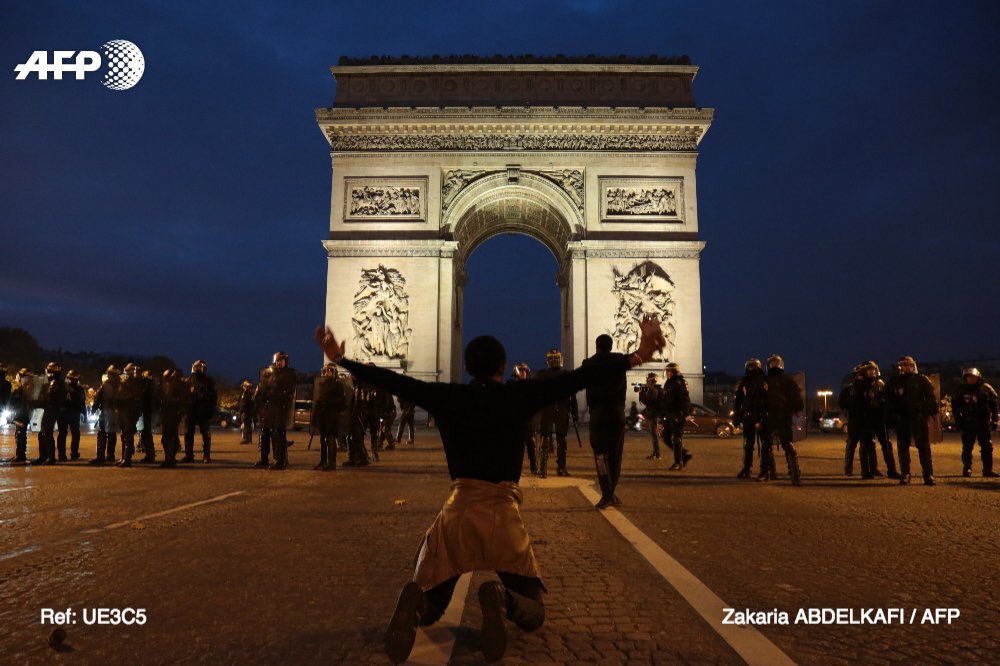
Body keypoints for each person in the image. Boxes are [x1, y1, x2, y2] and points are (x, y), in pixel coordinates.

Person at [315, 315, 665, 664]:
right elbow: (581, 377)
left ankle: (417, 606)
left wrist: (341, 359)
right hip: (502, 515)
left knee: (434, 606)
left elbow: (395, 381)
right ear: (503, 366)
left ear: (467, 366)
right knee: (534, 612)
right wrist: (638, 355)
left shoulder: (447, 397)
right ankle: (503, 599)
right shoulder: (521, 396)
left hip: (459, 513)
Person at [581, 334, 628, 508]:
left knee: (600, 456)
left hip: (598, 414)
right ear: (611, 345)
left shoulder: (589, 364)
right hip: (617, 413)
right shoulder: (620, 361)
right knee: (615, 455)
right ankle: (611, 493)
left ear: (597, 346)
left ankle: (607, 493)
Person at [886, 356, 938, 486]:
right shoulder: (895, 381)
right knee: (902, 447)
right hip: (902, 419)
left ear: (913, 366)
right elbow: (888, 400)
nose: (906, 367)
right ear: (900, 367)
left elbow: (931, 398)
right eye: (903, 365)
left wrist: (926, 411)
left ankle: (928, 475)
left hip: (918, 418)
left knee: (924, 447)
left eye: (909, 365)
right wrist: (891, 417)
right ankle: (905, 474)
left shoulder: (922, 380)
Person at [760, 354, 803, 485]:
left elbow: (796, 398)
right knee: (766, 445)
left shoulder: (788, 380)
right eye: (772, 363)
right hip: (769, 416)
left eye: (775, 363)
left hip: (783, 416)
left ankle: (794, 472)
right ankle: (768, 471)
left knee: (787, 444)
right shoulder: (764, 381)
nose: (774, 365)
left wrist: (793, 408)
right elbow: (760, 399)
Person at [535, 349, 578, 477]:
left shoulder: (541, 375)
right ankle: (561, 468)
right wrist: (575, 412)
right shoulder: (566, 374)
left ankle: (543, 469)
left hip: (547, 410)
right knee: (561, 439)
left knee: (545, 438)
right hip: (562, 409)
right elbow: (572, 395)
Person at [952, 367, 998, 478]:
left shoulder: (986, 388)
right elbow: (955, 406)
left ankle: (987, 469)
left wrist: (995, 419)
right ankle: (967, 468)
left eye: (972, 377)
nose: (970, 379)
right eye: (968, 377)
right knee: (967, 447)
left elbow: (994, 404)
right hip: (968, 422)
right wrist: (958, 420)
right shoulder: (961, 390)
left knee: (987, 446)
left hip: (983, 423)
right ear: (965, 378)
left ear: (978, 377)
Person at [255, 352, 297, 470]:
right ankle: (264, 459)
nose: (279, 363)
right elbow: (264, 387)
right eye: (277, 360)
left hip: (281, 408)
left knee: (279, 434)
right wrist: (261, 393)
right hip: (269, 408)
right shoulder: (270, 373)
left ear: (285, 361)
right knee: (265, 432)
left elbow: (289, 392)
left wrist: (274, 395)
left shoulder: (289, 374)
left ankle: (281, 461)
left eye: (281, 360)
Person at [733, 359, 767, 479]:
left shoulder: (764, 381)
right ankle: (747, 469)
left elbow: (767, 400)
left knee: (764, 445)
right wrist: (736, 416)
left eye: (754, 366)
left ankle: (765, 471)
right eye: (750, 366)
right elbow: (738, 400)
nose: (751, 368)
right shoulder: (744, 382)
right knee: (747, 444)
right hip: (748, 416)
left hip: (762, 416)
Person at [313, 363, 348, 471]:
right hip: (322, 416)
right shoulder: (321, 384)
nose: (327, 372)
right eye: (325, 370)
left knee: (330, 440)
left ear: (334, 373)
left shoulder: (338, 385)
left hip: (332, 416)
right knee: (322, 440)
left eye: (329, 370)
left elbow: (342, 403)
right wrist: (315, 416)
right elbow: (317, 401)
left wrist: (328, 403)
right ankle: (323, 461)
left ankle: (331, 463)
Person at [659, 362, 693, 471]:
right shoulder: (669, 383)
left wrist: (686, 414)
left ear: (673, 371)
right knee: (666, 437)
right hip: (669, 414)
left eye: (668, 371)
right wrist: (662, 415)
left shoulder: (679, 383)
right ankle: (684, 454)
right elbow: (665, 401)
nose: (667, 373)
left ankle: (678, 462)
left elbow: (685, 399)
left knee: (676, 438)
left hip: (677, 414)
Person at [184, 359, 216, 463]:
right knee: (188, 433)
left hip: (203, 410)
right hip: (191, 410)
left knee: (205, 433)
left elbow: (213, 398)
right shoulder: (189, 380)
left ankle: (206, 455)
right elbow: (184, 395)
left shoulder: (208, 381)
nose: (198, 369)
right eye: (196, 367)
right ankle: (189, 455)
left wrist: (211, 410)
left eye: (200, 367)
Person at [35, 362, 65, 465]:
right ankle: (43, 456)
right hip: (49, 409)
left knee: (47, 433)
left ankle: (50, 457)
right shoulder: (55, 383)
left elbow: (50, 398)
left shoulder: (55, 383)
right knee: (42, 433)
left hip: (51, 409)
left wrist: (38, 402)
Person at [839, 365, 867, 477]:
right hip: (854, 419)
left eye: (862, 374)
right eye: (858, 374)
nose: (860, 376)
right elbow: (842, 403)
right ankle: (848, 468)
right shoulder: (849, 389)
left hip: (865, 420)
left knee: (865, 445)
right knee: (851, 444)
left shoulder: (868, 387)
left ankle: (865, 469)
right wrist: (852, 401)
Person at [90, 366, 121, 465]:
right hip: (113, 412)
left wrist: (94, 408)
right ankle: (109, 455)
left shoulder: (106, 385)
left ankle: (101, 456)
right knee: (110, 434)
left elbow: (98, 397)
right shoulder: (120, 385)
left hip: (107, 411)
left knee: (103, 433)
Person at [158, 368, 188, 468]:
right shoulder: (176, 385)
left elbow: (170, 399)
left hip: (171, 413)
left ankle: (169, 459)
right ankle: (170, 458)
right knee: (171, 436)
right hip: (171, 413)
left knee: (168, 436)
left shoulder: (173, 386)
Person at [57, 369, 86, 461]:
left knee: (62, 434)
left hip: (64, 413)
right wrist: (84, 414)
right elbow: (82, 403)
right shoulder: (79, 389)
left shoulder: (62, 387)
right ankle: (73, 453)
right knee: (75, 434)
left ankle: (62, 455)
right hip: (73, 413)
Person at [4, 369, 31, 464]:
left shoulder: (22, 388)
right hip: (21, 414)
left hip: (21, 414)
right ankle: (20, 454)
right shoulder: (22, 387)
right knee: (19, 434)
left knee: (20, 435)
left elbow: (18, 402)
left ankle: (21, 455)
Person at [638, 373, 663, 460]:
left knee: (654, 435)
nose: (646, 381)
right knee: (654, 435)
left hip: (653, 415)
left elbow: (647, 401)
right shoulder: (656, 388)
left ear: (650, 380)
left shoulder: (652, 389)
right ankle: (655, 453)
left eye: (647, 379)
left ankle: (657, 454)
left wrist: (641, 394)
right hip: (654, 414)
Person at [138, 369, 156, 462]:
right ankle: (150, 454)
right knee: (146, 433)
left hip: (146, 411)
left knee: (146, 433)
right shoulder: (152, 385)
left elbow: (144, 396)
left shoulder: (148, 385)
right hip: (147, 411)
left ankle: (150, 455)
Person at [237, 380, 255, 444]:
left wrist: (242, 410)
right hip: (245, 411)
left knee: (246, 425)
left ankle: (246, 438)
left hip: (246, 411)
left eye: (244, 386)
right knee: (246, 425)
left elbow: (245, 403)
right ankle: (249, 439)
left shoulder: (247, 393)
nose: (243, 387)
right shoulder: (244, 393)